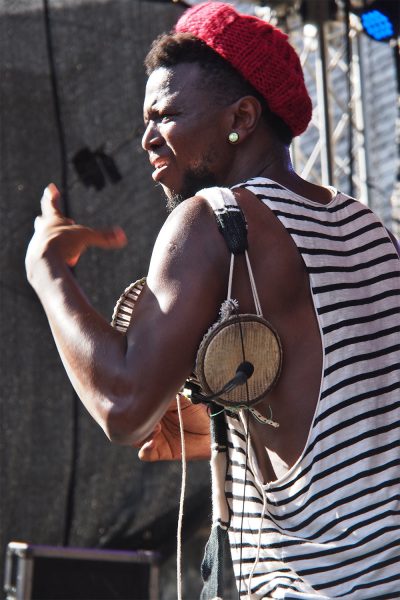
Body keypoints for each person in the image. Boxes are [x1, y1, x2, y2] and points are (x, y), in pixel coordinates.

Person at [25, 2, 400, 598]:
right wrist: (214, 424)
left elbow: (123, 405)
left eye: (166, 114)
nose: (147, 137)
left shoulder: (214, 218)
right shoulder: (364, 226)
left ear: (242, 117)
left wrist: (47, 272)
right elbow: (347, 404)